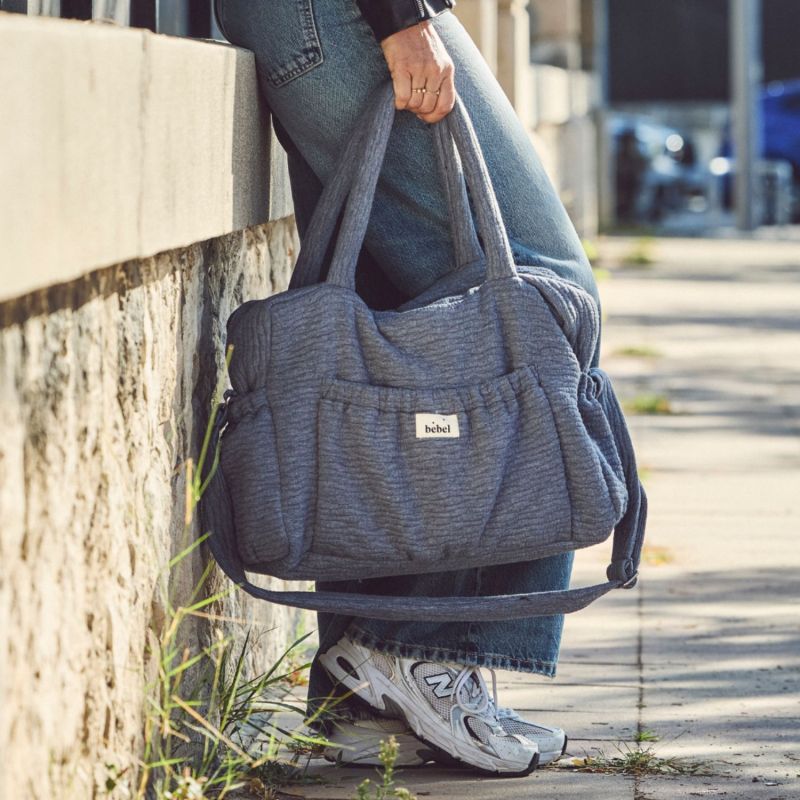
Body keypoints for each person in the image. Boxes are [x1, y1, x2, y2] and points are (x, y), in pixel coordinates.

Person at [213, 0, 601, 777]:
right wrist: (402, 15)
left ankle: (368, 699)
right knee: (542, 293)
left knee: (399, 300)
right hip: (342, 14)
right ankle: (423, 654)